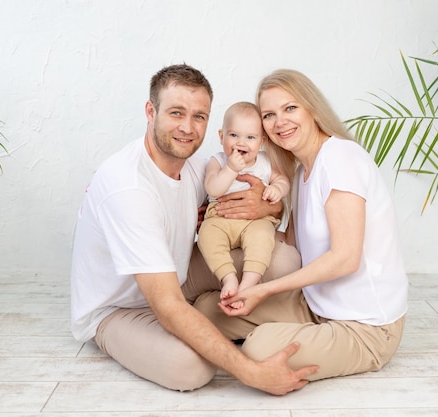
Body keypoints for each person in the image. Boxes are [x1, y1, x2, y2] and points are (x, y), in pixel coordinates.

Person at [70, 64, 317, 394]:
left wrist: (267, 204)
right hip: (121, 308)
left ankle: (222, 313)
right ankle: (206, 320)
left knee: (283, 258)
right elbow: (167, 305)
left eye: (199, 116)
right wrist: (253, 372)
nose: (187, 127)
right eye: (176, 113)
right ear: (150, 111)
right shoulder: (128, 188)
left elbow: (248, 194)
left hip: (179, 276)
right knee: (191, 368)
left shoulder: (195, 165)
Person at [194, 69, 408, 382]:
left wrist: (262, 290)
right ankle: (301, 334)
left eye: (290, 108)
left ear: (312, 108)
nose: (280, 122)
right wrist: (229, 218)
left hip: (366, 327)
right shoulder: (299, 174)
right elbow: (292, 245)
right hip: (315, 307)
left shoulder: (340, 158)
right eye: (269, 114)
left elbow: (346, 258)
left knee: (258, 348)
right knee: (207, 311)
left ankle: (293, 340)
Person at [197, 102, 290, 306]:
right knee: (207, 236)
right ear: (221, 136)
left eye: (250, 137)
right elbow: (213, 188)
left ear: (261, 141)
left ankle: (248, 283)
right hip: (220, 217)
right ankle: (228, 278)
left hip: (255, 221)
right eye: (233, 135)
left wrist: (277, 189)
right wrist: (230, 169)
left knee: (263, 238)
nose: (241, 142)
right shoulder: (218, 161)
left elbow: (283, 180)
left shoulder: (265, 162)